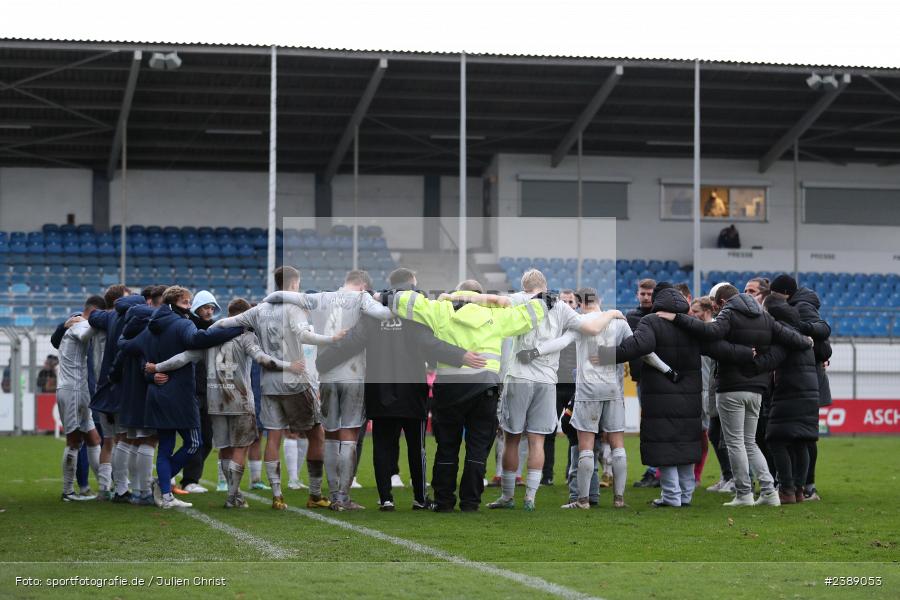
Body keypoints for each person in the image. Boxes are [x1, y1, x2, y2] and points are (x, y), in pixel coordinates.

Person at [317, 267, 484, 511]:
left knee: (383, 444)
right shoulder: (415, 310)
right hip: (411, 390)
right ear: (412, 284)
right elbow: (430, 344)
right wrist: (460, 355)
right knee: (417, 447)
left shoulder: (374, 311)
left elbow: (354, 340)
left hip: (379, 388)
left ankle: (386, 498)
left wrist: (324, 361)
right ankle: (419, 497)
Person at [386, 279, 547, 512]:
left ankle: (444, 501)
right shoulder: (497, 315)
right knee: (478, 447)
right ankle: (470, 502)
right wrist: (544, 299)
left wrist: (384, 295)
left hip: (449, 388)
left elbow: (405, 300)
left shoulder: (440, 309)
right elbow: (532, 313)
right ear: (480, 295)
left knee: (447, 446)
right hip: (485, 389)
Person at [657, 284, 813, 507]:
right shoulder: (764, 316)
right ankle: (769, 491)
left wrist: (677, 319)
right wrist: (807, 340)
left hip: (731, 387)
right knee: (750, 442)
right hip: (757, 389)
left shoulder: (729, 313)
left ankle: (744, 494)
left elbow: (710, 332)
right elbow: (790, 338)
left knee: (735, 443)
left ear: (720, 302)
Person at [488, 270, 626, 512]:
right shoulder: (562, 308)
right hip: (549, 381)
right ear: (546, 286)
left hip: (520, 376)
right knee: (538, 440)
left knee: (512, 439)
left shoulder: (522, 299)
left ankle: (508, 497)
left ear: (524, 287)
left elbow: (497, 302)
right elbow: (592, 330)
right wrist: (613, 313)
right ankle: (531, 498)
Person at [148, 297, 303, 509]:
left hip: (215, 401)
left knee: (225, 448)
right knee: (240, 446)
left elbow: (183, 358)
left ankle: (232, 491)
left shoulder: (210, 336)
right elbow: (262, 359)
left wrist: (157, 368)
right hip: (239, 399)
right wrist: (289, 365)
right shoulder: (246, 336)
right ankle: (233, 495)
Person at [529, 287, 674, 509]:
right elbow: (643, 351)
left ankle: (583, 500)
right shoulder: (618, 321)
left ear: (578, 302)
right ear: (600, 300)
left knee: (585, 447)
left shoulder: (579, 322)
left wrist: (534, 352)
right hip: (613, 390)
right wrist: (667, 370)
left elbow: (559, 343)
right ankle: (619, 499)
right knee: (618, 446)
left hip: (587, 390)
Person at [595, 284, 702, 508]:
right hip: (690, 394)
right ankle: (686, 495)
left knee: (664, 443)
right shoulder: (692, 324)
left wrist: (605, 355)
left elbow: (639, 346)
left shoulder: (652, 321)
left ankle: (671, 496)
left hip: (660, 394)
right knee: (686, 443)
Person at [142, 286, 243, 509]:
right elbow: (197, 340)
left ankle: (165, 493)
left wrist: (151, 376)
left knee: (166, 446)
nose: (190, 307)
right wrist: (237, 329)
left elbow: (143, 361)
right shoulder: (183, 323)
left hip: (158, 393)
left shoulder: (152, 326)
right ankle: (163, 482)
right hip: (180, 392)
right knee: (194, 442)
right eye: (187, 303)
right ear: (176, 303)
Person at [747, 295, 820, 505]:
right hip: (807, 393)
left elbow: (773, 359)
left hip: (789, 393)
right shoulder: (799, 332)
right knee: (800, 442)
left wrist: (751, 362)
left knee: (776, 440)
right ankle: (797, 490)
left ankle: (786, 490)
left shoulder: (781, 334)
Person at [769, 274, 832, 502]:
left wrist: (800, 331)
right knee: (801, 439)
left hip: (800, 380)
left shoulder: (799, 307)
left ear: (784, 293)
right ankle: (799, 488)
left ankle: (798, 487)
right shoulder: (797, 305)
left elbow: (823, 332)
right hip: (806, 381)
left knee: (795, 439)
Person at [109, 284, 167, 506]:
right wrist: (153, 378)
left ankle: (127, 488)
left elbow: (117, 364)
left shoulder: (128, 328)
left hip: (127, 392)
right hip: (145, 392)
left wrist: (115, 381)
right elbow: (147, 364)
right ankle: (143, 491)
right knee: (148, 440)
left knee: (127, 440)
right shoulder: (149, 330)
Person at [88, 285, 144, 502]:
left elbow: (93, 316)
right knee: (126, 439)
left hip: (102, 387)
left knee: (109, 440)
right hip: (120, 385)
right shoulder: (122, 318)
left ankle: (105, 487)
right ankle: (123, 488)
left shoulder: (103, 319)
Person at [55, 295, 107, 501]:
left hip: (80, 389)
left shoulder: (78, 322)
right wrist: (105, 322)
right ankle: (68, 491)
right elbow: (86, 335)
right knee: (74, 440)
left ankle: (105, 486)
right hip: (72, 390)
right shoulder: (79, 324)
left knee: (94, 438)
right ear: (95, 312)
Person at [178, 290, 221, 495]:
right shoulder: (190, 328)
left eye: (212, 308)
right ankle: (188, 479)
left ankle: (180, 475)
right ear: (196, 308)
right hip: (192, 390)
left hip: (208, 390)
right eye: (205, 307)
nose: (209, 311)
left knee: (207, 439)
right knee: (195, 440)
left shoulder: (215, 329)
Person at [543, 289, 577, 486]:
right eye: (562, 301)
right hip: (553, 385)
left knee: (574, 432)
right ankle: (546, 476)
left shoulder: (580, 326)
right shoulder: (549, 325)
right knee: (548, 431)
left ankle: (570, 475)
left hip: (574, 387)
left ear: (576, 305)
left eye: (570, 301)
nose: (566, 305)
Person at [628, 278, 660, 489]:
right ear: (637, 294)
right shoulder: (631, 317)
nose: (646, 297)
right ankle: (653, 470)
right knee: (649, 424)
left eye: (649, 294)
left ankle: (656, 471)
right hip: (643, 378)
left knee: (657, 424)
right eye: (643, 293)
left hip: (661, 377)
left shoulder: (661, 316)